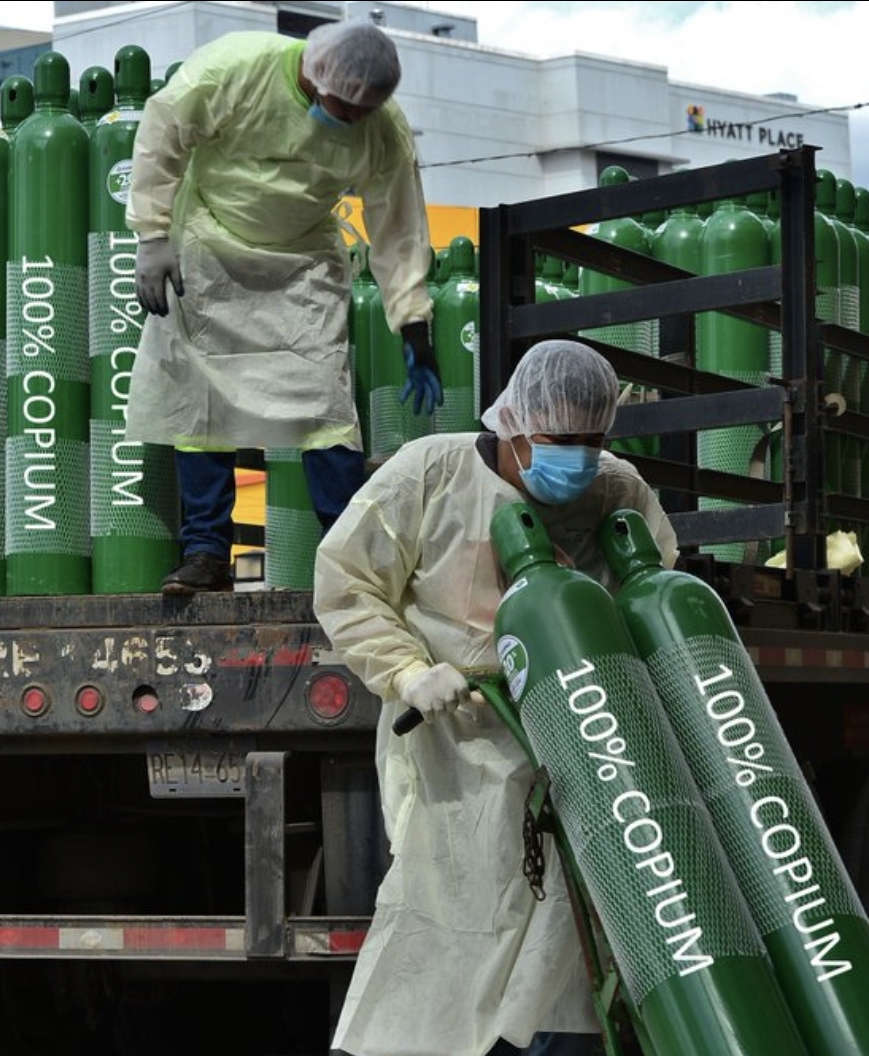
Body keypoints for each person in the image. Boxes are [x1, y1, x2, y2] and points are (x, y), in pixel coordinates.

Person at [314, 339, 679, 1056]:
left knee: (566, 935)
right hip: (453, 743)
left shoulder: (617, 490)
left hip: (575, 740)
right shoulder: (431, 473)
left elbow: (652, 587)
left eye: (592, 441)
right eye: (560, 442)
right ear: (513, 423)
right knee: (448, 920)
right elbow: (347, 581)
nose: (579, 459)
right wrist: (408, 671)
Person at [125, 20, 441, 595]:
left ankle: (352, 561)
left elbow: (399, 226)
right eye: (345, 109)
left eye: (363, 112)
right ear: (316, 77)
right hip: (210, 243)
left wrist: (413, 323)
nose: (353, 121)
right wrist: (151, 234)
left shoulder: (381, 128)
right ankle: (206, 553)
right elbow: (163, 132)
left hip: (303, 262)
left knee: (326, 406)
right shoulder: (234, 69)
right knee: (202, 405)